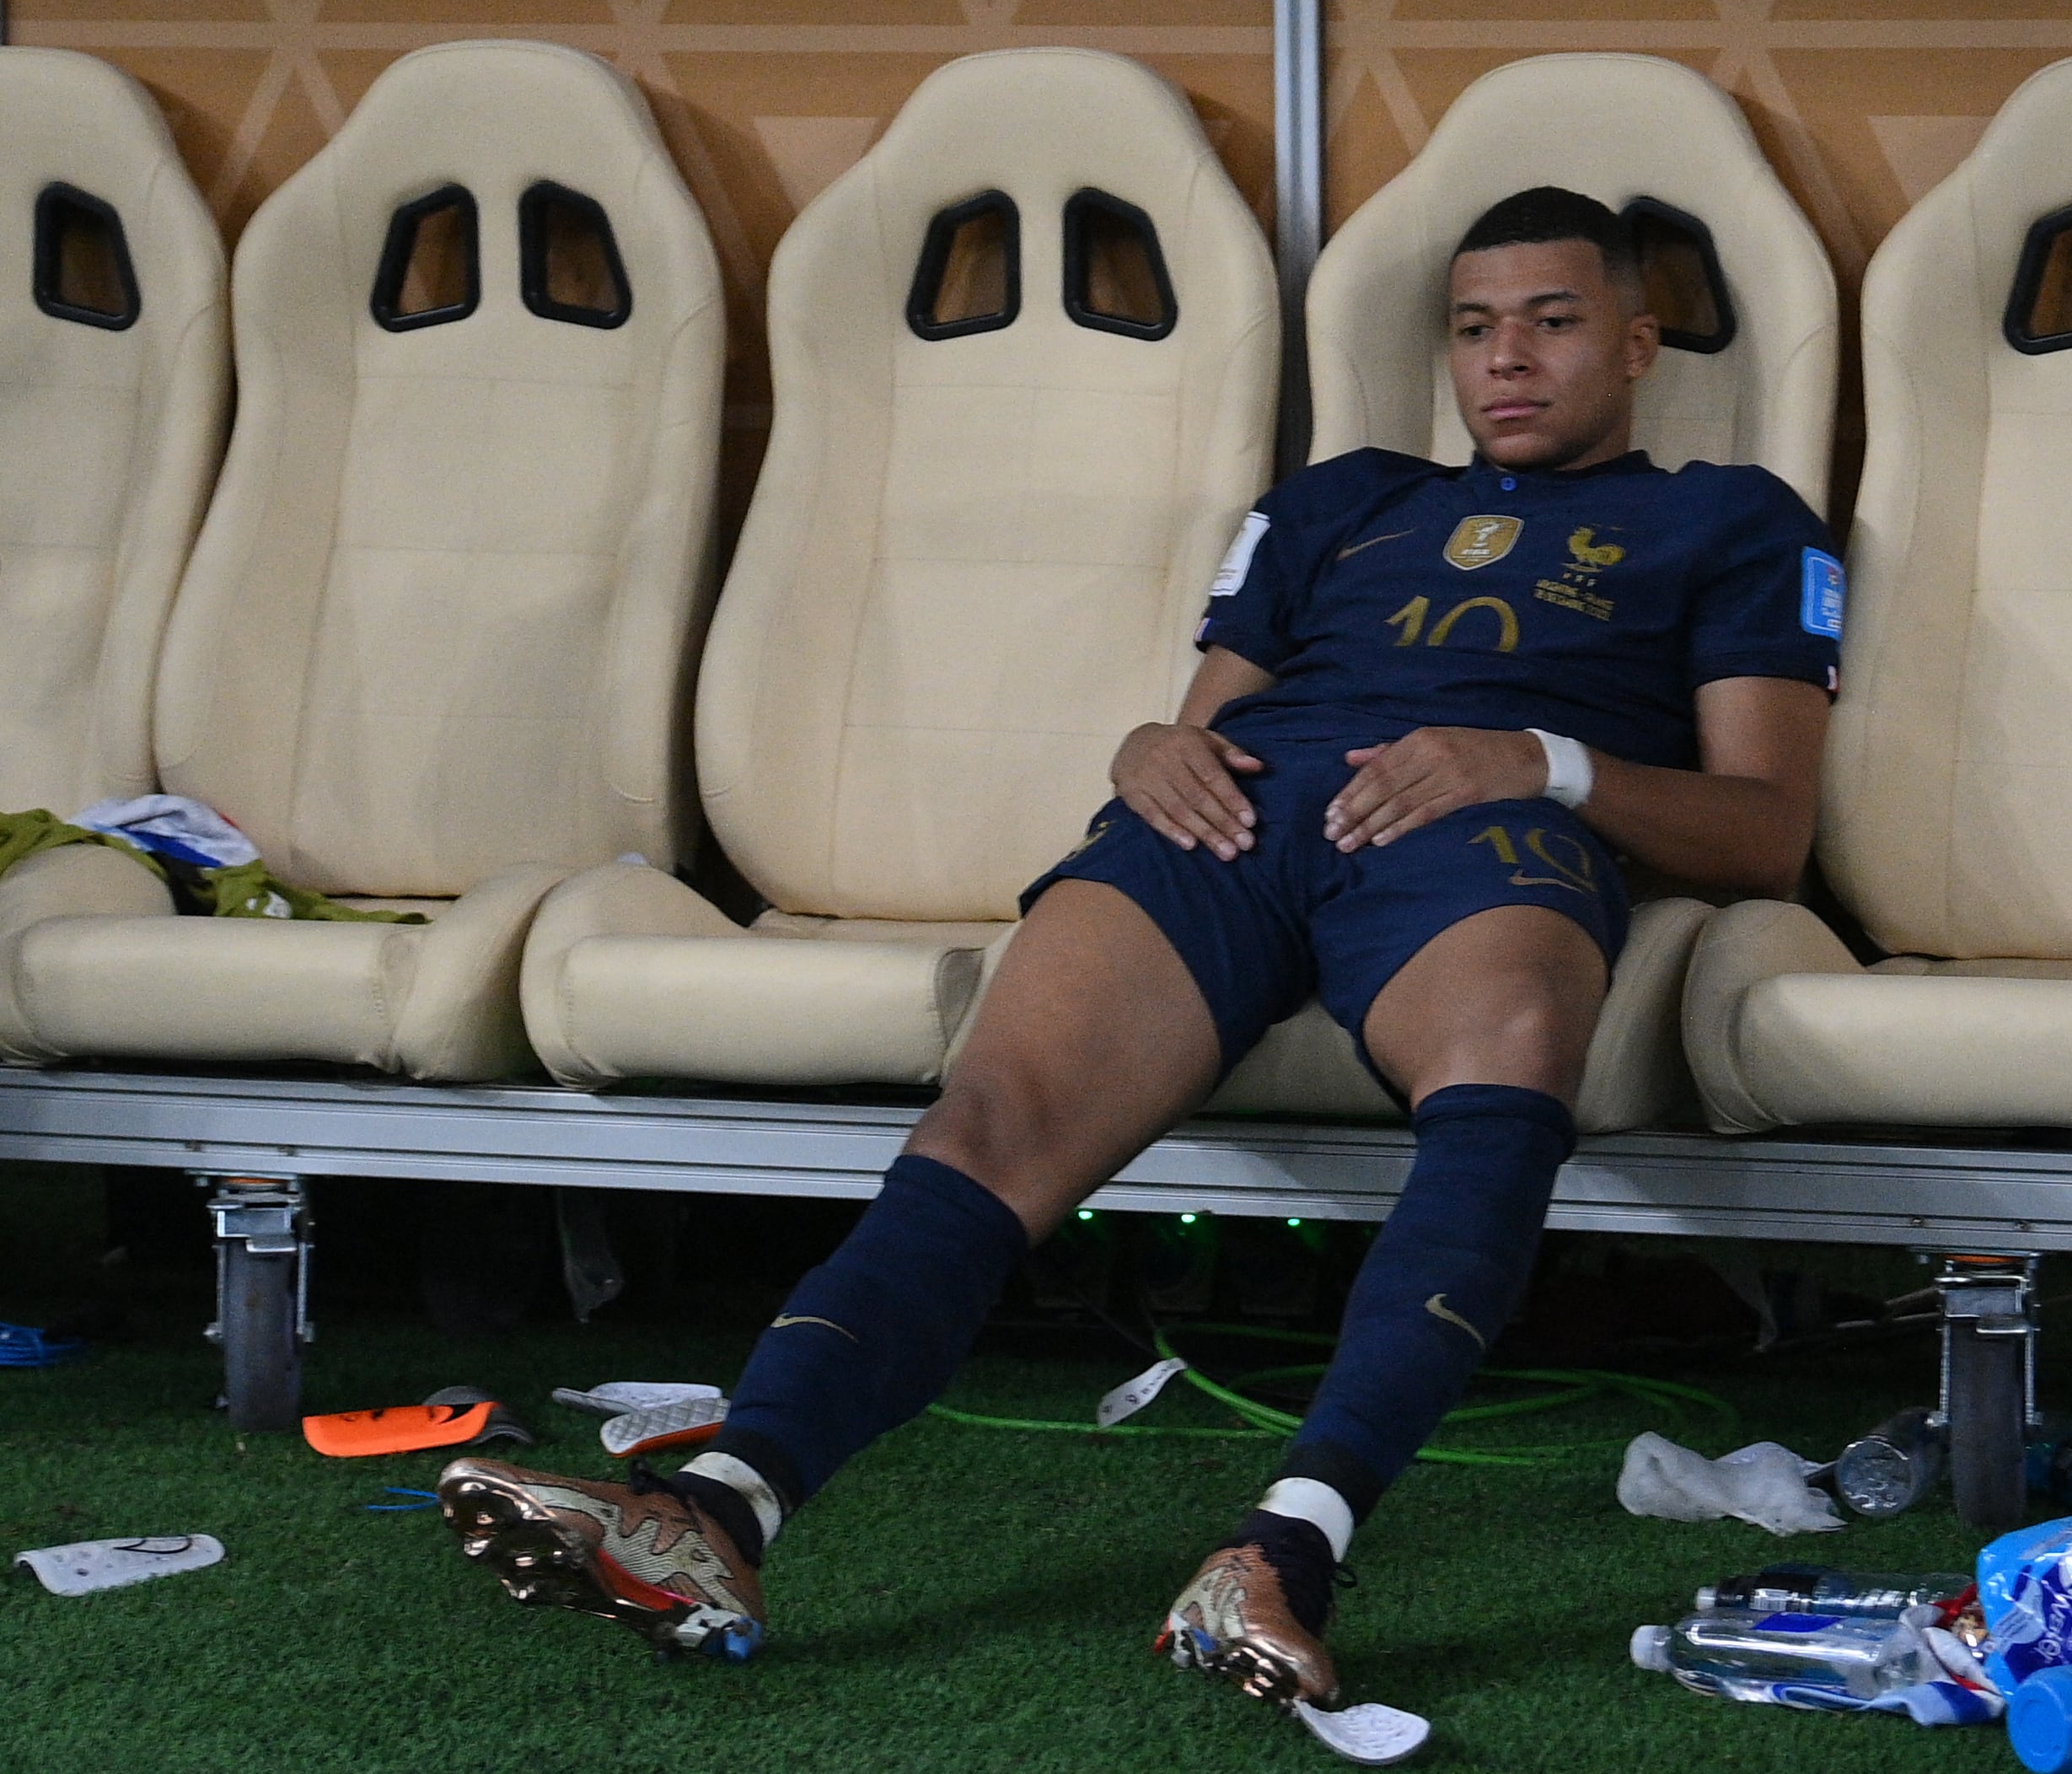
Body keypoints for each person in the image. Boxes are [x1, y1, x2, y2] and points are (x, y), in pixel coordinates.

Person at [435, 185, 1840, 1709]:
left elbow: (1763, 828)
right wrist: (1141, 748)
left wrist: (1542, 762)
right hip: (1231, 819)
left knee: (1501, 1072)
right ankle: (715, 1506)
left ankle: (1282, 1552)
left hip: (1481, 827)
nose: (1505, 359)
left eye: (1553, 322)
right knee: (989, 1119)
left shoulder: (1733, 518)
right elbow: (1205, 716)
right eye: (1474, 326)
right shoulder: (1341, 498)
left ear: (1636, 342)